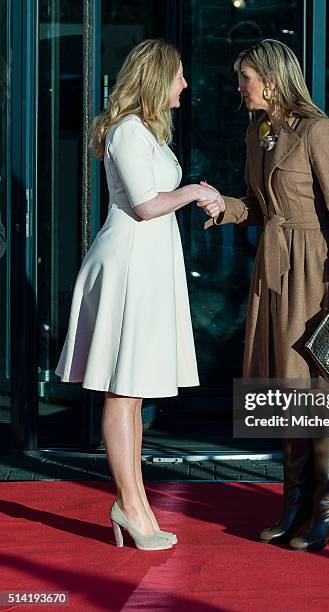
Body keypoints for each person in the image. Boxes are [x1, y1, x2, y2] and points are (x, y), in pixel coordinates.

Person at [199, 39, 329, 551]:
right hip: (274, 269)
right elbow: (257, 204)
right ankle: (295, 504)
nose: (239, 88)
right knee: (288, 385)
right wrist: (222, 206)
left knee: (323, 387)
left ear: (271, 80)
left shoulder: (318, 130)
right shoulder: (259, 132)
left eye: (245, 78)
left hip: (316, 270)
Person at [55, 39, 219, 551]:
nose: (186, 86)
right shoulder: (127, 131)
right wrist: (194, 191)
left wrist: (194, 192)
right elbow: (147, 207)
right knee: (123, 391)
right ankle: (129, 504)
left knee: (133, 393)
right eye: (179, 77)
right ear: (156, 78)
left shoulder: (143, 131)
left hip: (145, 266)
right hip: (128, 266)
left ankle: (137, 504)